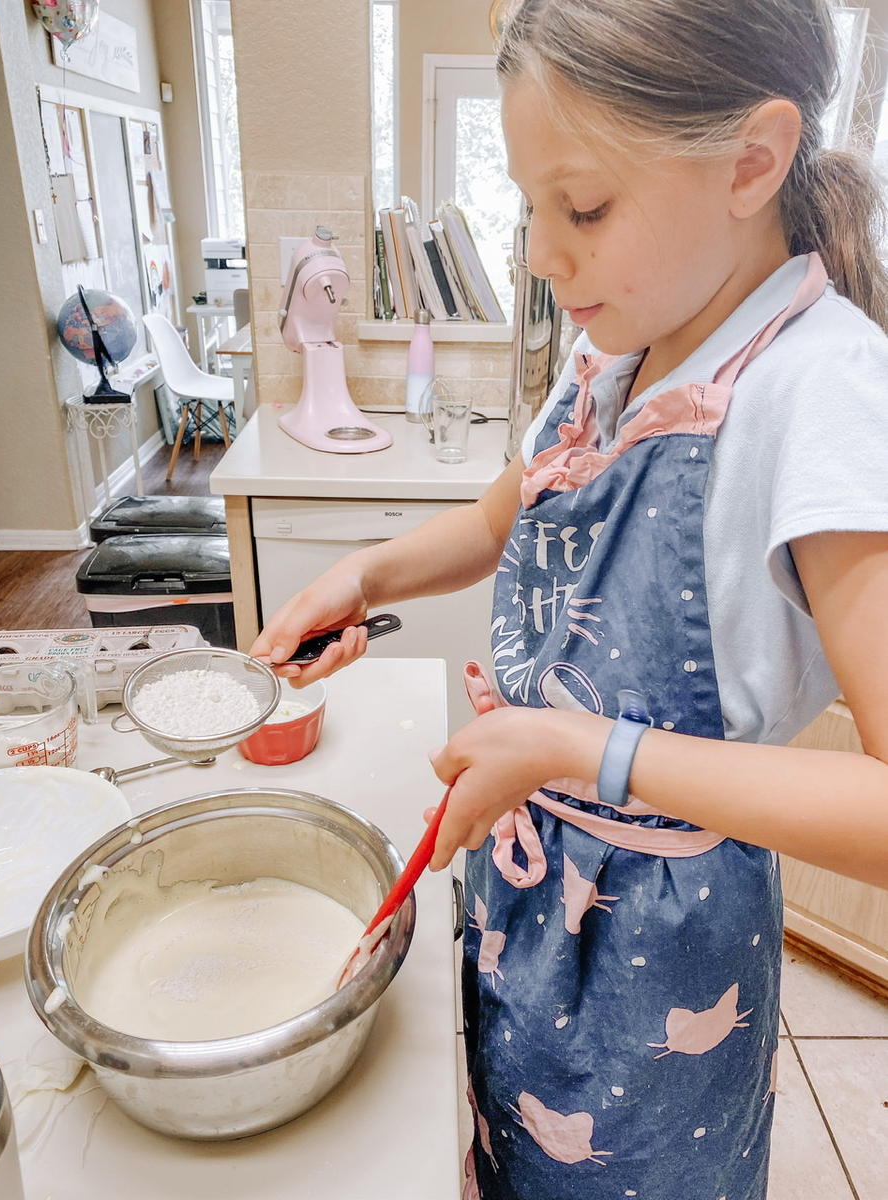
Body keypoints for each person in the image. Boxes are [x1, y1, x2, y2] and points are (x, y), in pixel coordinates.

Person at [252, 1, 888, 1195]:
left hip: (665, 957)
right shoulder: (621, 350)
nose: (543, 255)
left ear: (751, 161)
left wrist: (577, 747)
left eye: (583, 208)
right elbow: (500, 520)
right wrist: (364, 574)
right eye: (529, 208)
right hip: (531, 897)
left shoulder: (821, 393)